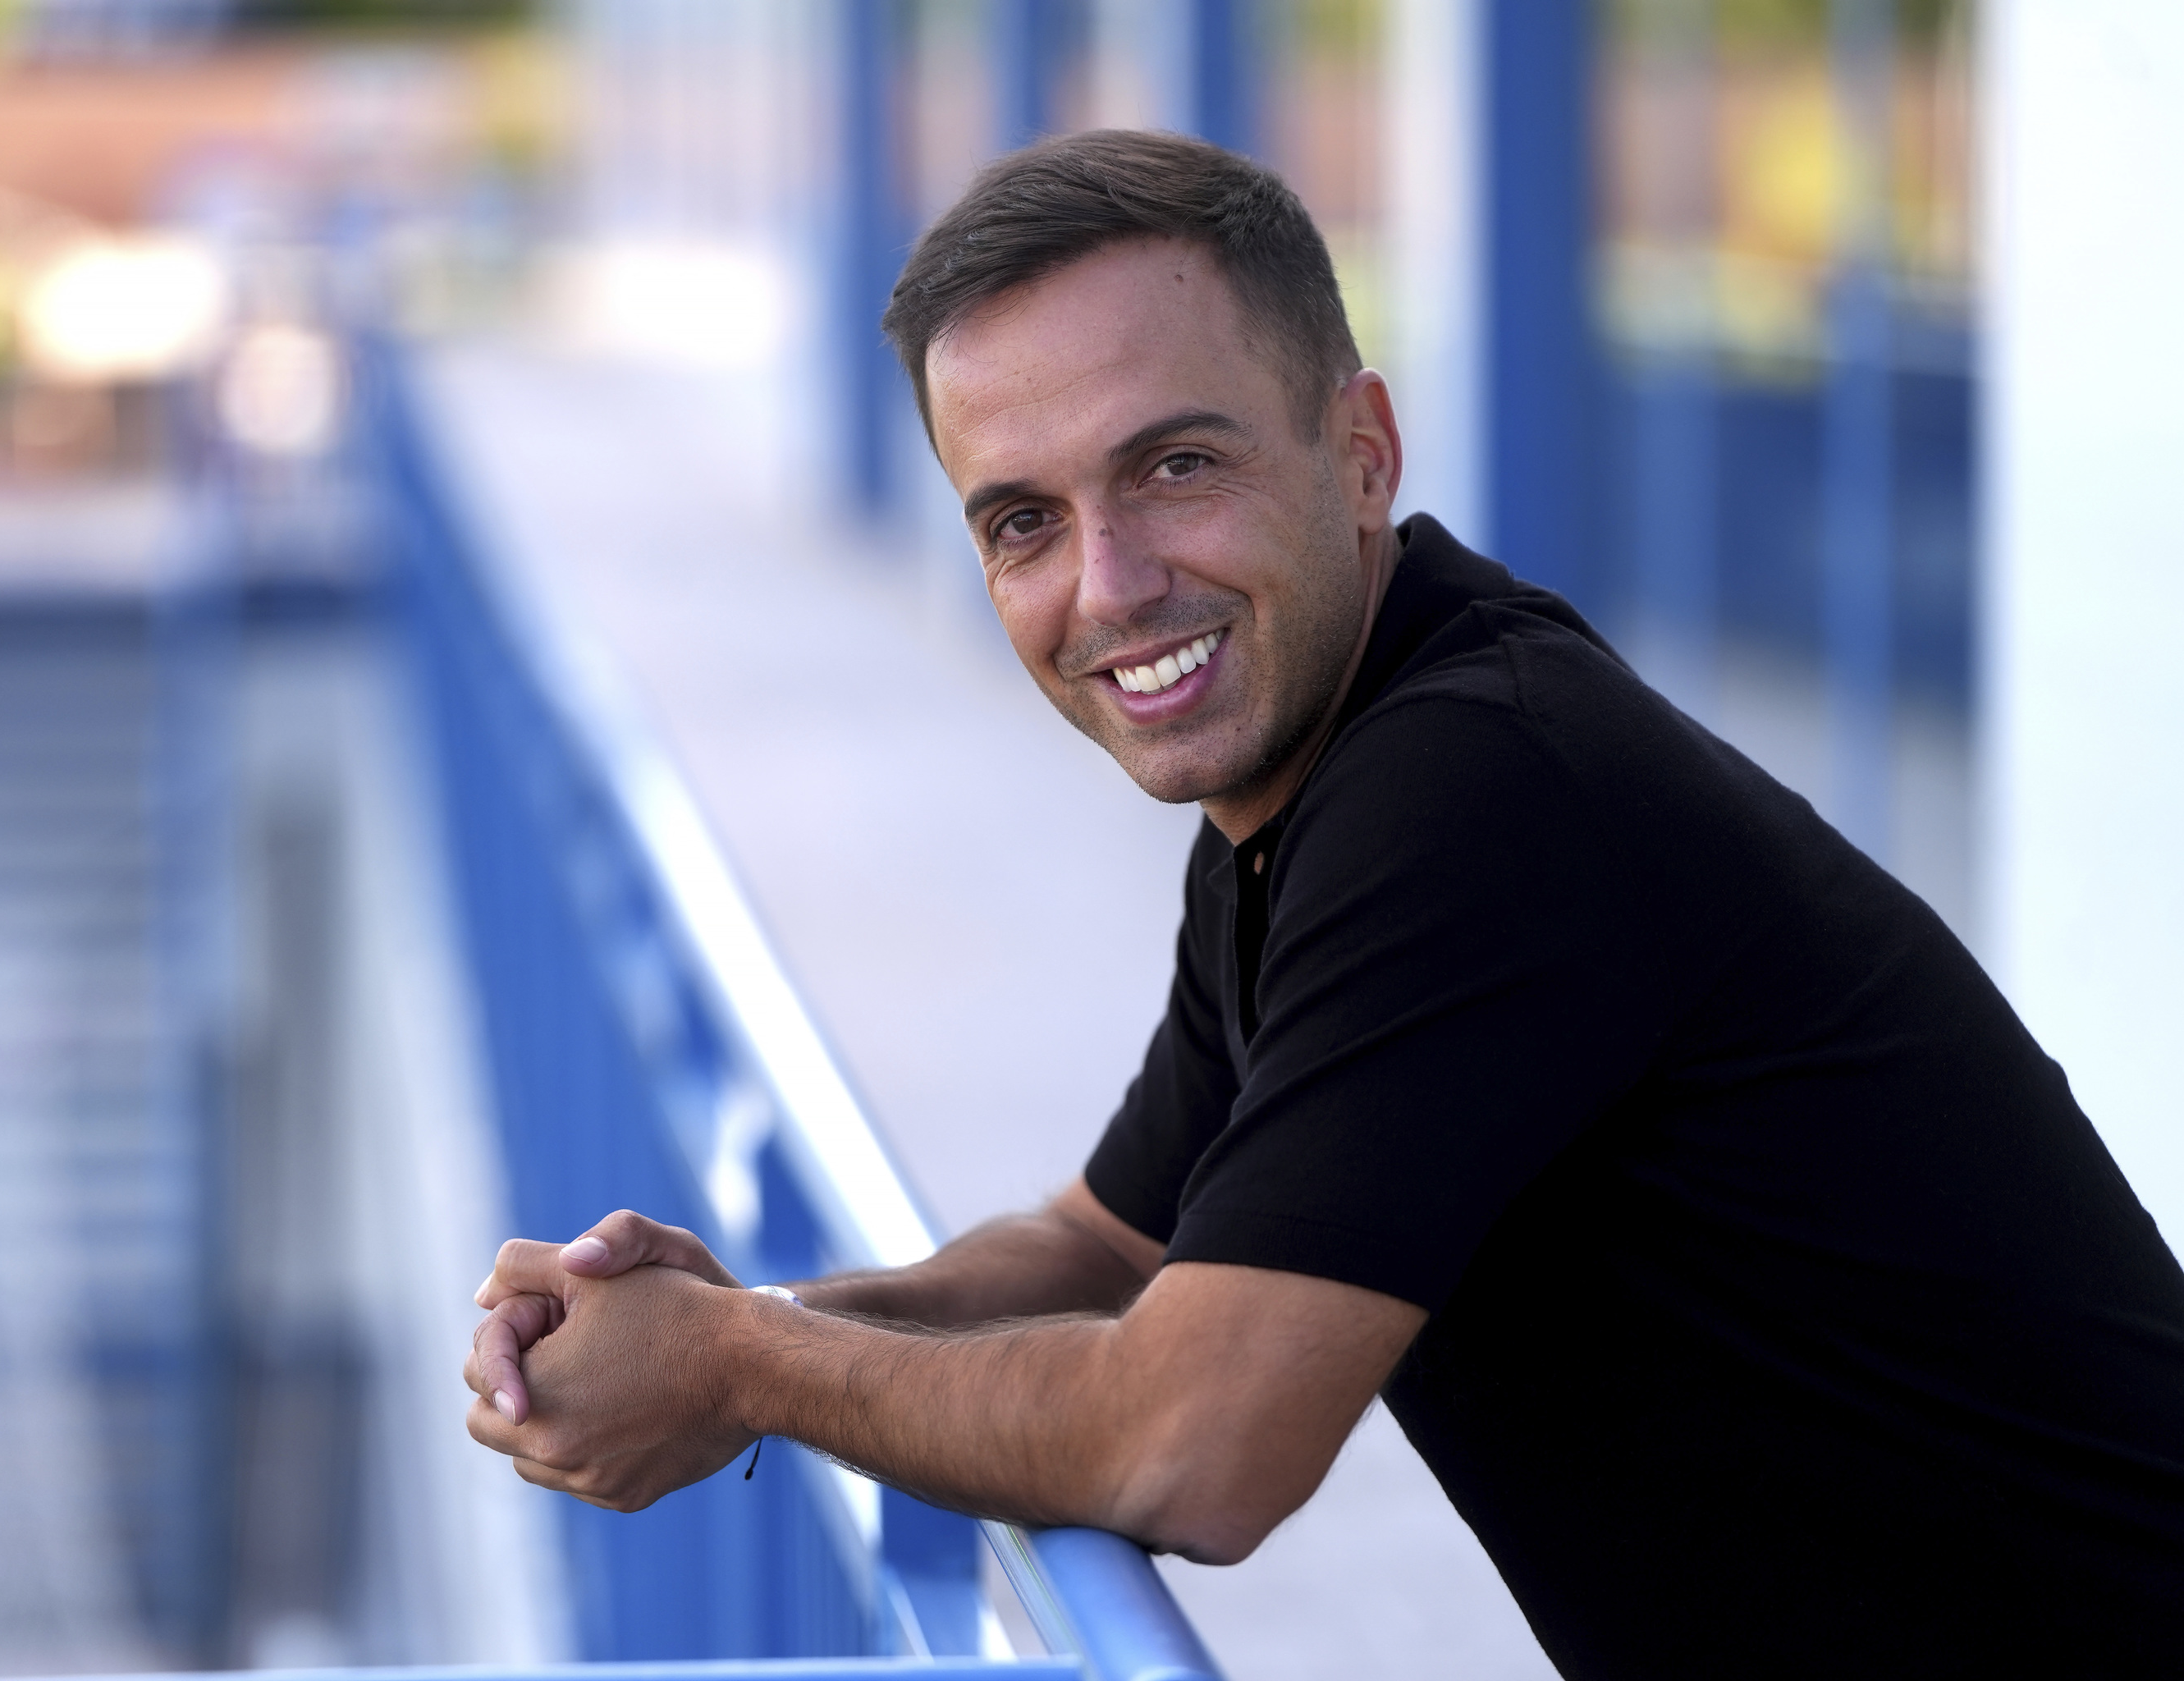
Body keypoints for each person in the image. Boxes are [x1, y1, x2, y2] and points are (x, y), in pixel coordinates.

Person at [461, 131, 2184, 1675]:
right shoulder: (1312, 797)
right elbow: (1106, 1249)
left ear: (1360, 450)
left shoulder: (1484, 790)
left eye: (1176, 466)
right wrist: (746, 1325)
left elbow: (1192, 1445)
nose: (1111, 586)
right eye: (1021, 522)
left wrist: (746, 1372)